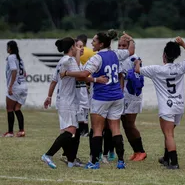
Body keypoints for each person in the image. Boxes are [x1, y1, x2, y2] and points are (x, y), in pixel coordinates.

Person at [60, 29, 135, 169]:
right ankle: (120, 161)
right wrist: (131, 39)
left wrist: (66, 73)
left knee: (97, 129)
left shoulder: (97, 57)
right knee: (115, 129)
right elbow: (130, 51)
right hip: (117, 96)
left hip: (101, 97)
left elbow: (83, 74)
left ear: (101, 44)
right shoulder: (116, 53)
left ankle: (94, 162)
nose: (92, 43)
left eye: (94, 41)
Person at [135, 37, 185, 169]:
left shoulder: (156, 69)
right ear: (176, 56)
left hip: (167, 107)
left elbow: (137, 70)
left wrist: (137, 62)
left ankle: (174, 163)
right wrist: (183, 44)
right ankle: (166, 158)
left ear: (164, 55)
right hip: (179, 106)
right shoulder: (181, 67)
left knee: (168, 134)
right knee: (168, 133)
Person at [43, 38, 107, 169]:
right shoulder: (69, 60)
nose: (79, 48)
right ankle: (48, 155)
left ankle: (71, 161)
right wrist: (96, 79)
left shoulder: (63, 61)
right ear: (72, 47)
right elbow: (80, 75)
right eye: (76, 46)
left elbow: (55, 80)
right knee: (70, 131)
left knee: (74, 131)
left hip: (65, 100)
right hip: (67, 101)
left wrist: (49, 96)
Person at [118, 37, 147, 161]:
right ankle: (136, 151)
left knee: (130, 124)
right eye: (119, 45)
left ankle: (141, 151)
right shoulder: (120, 57)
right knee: (125, 124)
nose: (121, 48)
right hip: (123, 95)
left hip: (132, 95)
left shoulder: (133, 58)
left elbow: (137, 77)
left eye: (124, 46)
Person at [3, 41, 28, 137]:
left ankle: (10, 132)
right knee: (17, 108)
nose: (7, 49)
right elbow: (24, 73)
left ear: (10, 48)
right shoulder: (19, 58)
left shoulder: (11, 57)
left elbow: (14, 70)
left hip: (15, 87)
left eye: (7, 47)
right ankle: (21, 131)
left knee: (9, 108)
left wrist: (10, 86)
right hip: (24, 86)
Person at [77, 34, 96, 136]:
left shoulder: (76, 53)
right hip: (89, 82)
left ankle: (81, 130)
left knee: (81, 106)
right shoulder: (92, 52)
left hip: (82, 81)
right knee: (86, 106)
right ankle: (86, 130)